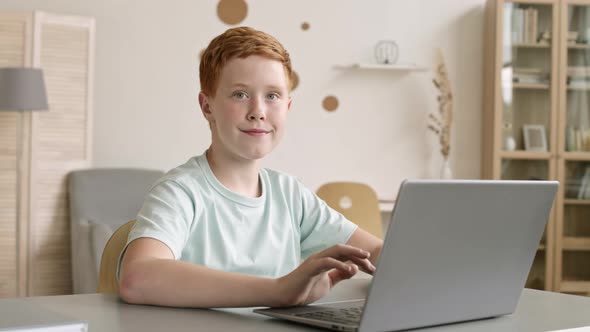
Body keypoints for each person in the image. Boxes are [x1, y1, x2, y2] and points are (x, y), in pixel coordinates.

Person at [118, 26, 383, 308]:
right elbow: (137, 278)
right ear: (207, 106)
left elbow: (376, 251)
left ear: (288, 107)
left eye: (272, 96)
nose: (258, 110)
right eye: (240, 95)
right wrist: (279, 290)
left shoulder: (290, 195)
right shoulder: (181, 192)